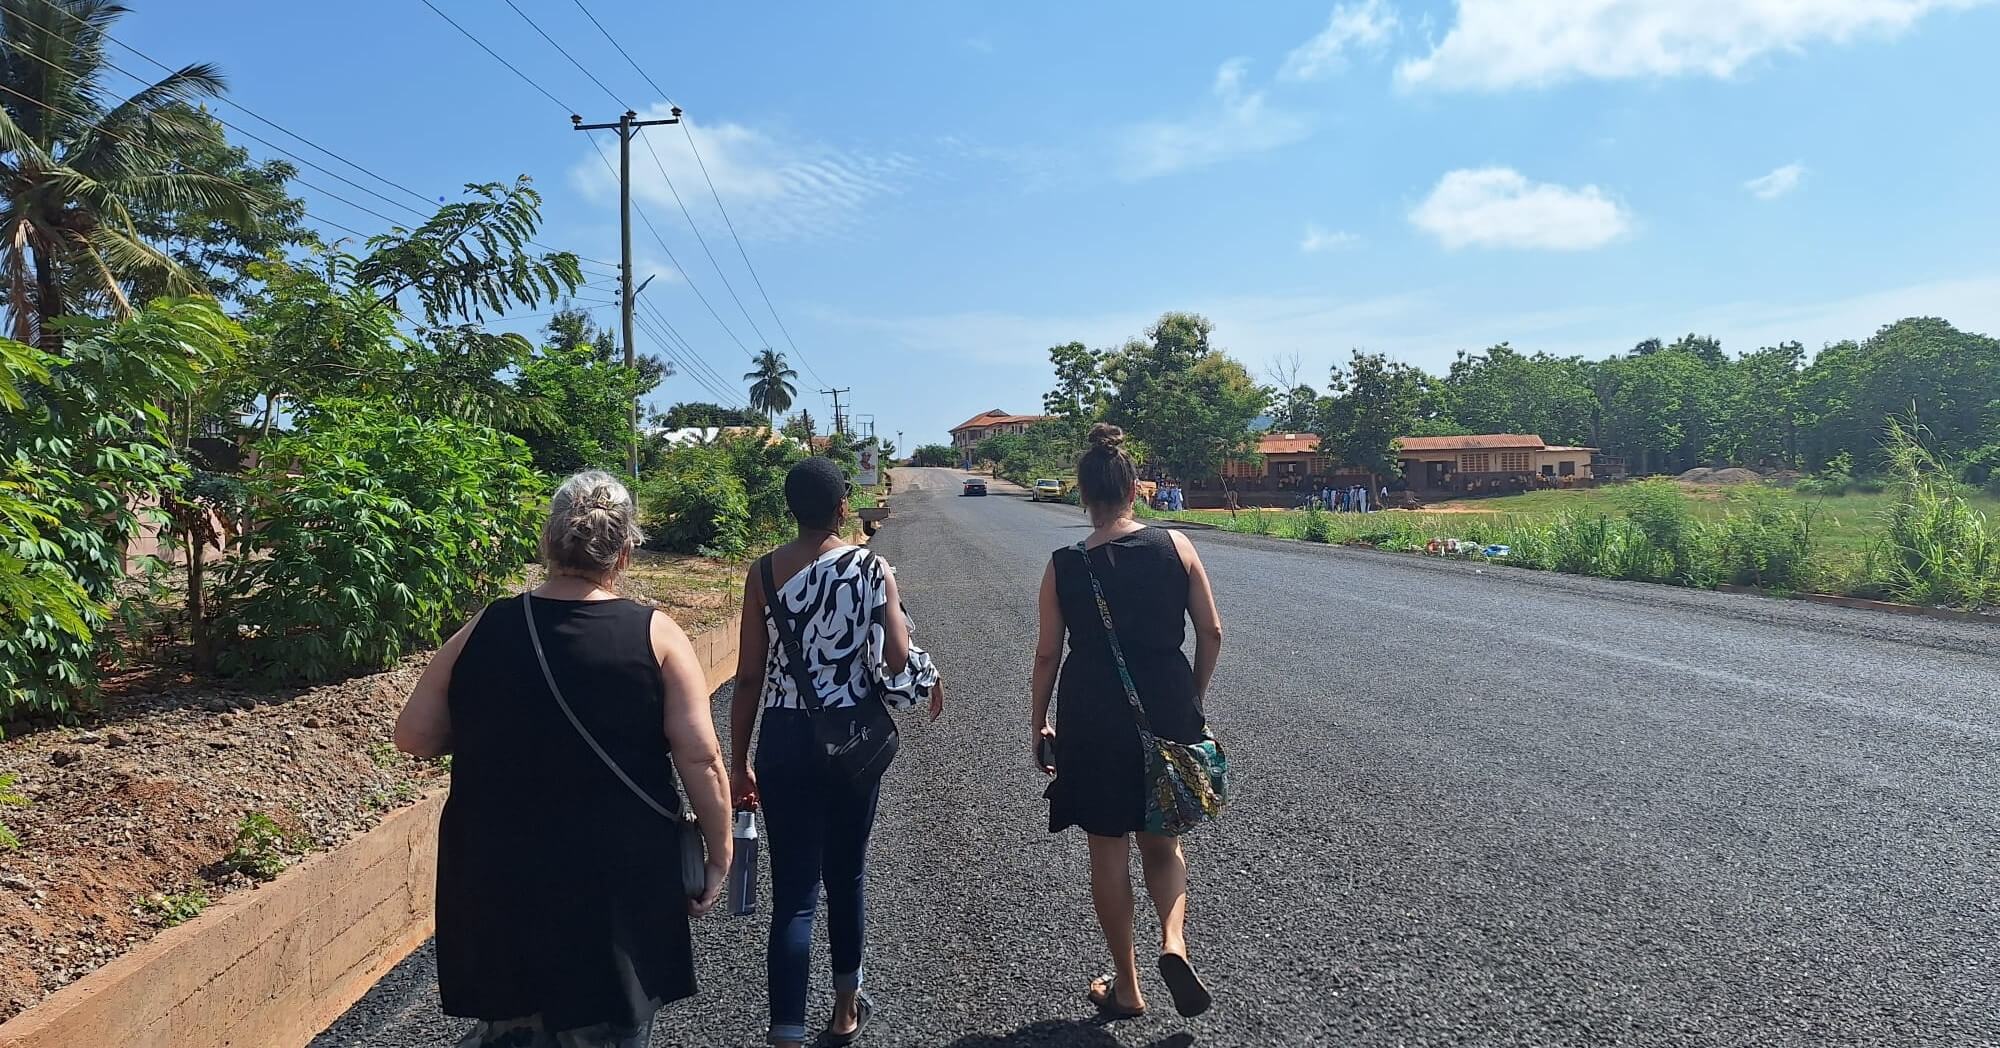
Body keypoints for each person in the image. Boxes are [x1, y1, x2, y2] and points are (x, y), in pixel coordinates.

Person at [395, 471, 732, 1048]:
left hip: (500, 872)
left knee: (516, 1022)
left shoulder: (487, 625)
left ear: (548, 544)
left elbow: (415, 736)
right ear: (624, 553)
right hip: (615, 880)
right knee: (611, 1022)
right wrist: (720, 849)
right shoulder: (656, 634)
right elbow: (700, 757)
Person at [730, 458, 943, 1048]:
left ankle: (786, 1032)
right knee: (846, 874)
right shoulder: (871, 568)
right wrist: (929, 673)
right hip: (850, 735)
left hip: (781, 736)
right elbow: (897, 657)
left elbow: (748, 677)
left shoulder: (763, 573)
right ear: (844, 506)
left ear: (790, 508)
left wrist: (737, 759)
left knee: (794, 892)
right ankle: (846, 1010)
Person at [1031, 423, 1224, 1022]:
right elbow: (1212, 632)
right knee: (1162, 842)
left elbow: (1046, 654)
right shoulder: (1178, 547)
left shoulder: (1063, 565)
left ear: (1084, 496)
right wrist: (1187, 696)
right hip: (1166, 704)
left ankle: (1128, 987)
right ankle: (1174, 941)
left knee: (1107, 849)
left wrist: (1037, 722)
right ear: (1135, 490)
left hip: (1091, 713)